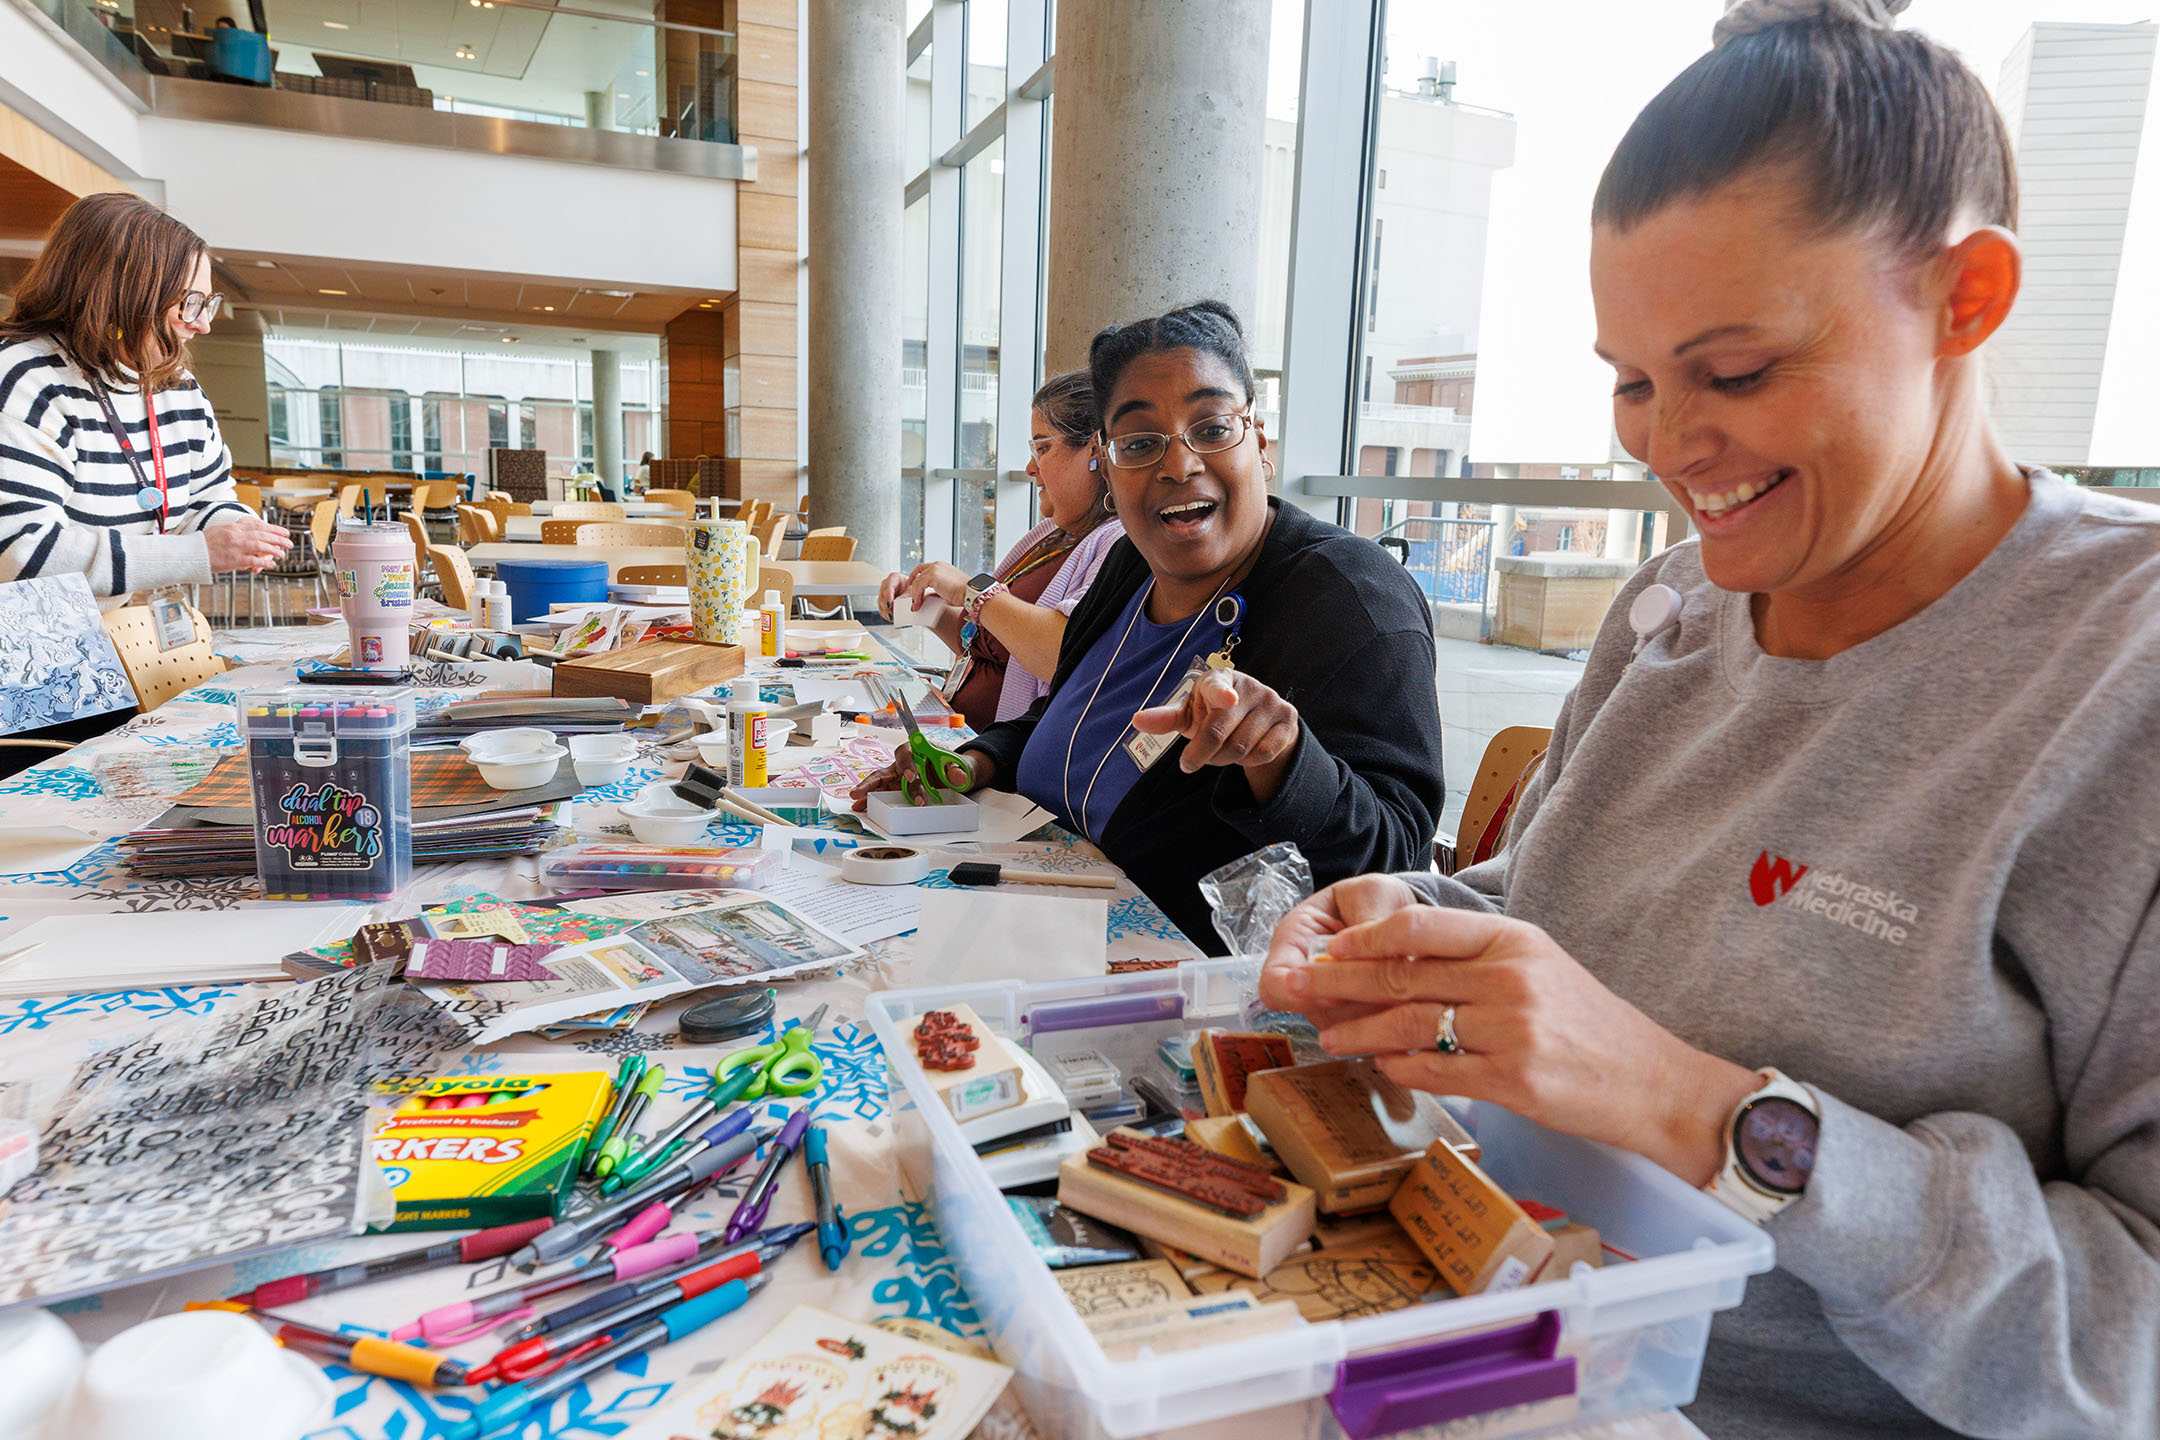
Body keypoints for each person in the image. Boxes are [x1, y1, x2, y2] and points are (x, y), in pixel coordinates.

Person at [1258, 4, 2160, 1437]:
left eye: (1735, 373)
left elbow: (2130, 1348)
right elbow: (1568, 912)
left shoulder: (2121, 680)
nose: (1670, 446)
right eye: (1631, 381)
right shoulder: (1670, 608)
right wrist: (1417, 917)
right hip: (1495, 1334)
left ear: (1966, 299)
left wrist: (1708, 1117)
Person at [855, 301, 1444, 951]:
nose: (1179, 464)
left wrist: (1282, 761)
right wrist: (975, 762)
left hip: (1172, 979)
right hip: (1031, 916)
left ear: (1262, 446)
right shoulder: (1131, 565)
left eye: (1213, 428)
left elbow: (1397, 860)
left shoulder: (1348, 600)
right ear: (1108, 469)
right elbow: (1069, 714)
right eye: (1139, 443)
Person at [0, 192, 291, 603]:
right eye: (190, 303)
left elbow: (207, 499)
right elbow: (21, 554)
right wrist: (197, 552)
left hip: (120, 636)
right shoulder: (22, 379)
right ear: (126, 295)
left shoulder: (178, 387)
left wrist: (239, 531)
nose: (203, 324)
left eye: (207, 303)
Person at [875, 371, 1126, 728]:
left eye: (1043, 448)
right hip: (962, 737)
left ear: (1095, 451)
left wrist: (968, 589)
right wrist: (920, 604)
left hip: (999, 761)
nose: (1030, 469)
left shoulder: (1117, 543)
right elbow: (981, 636)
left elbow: (1060, 651)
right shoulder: (1051, 534)